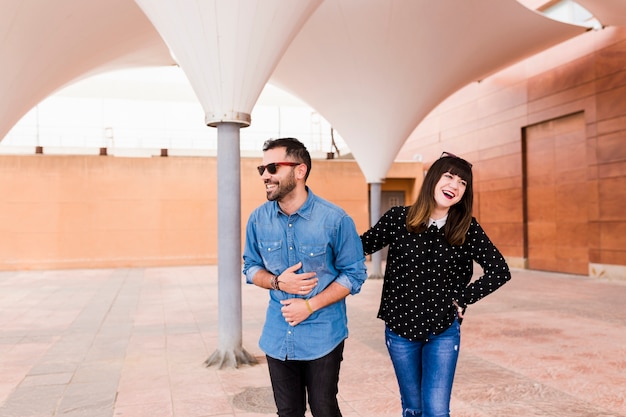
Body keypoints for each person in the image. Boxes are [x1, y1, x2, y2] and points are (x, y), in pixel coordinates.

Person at [360, 152, 511, 417]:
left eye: (463, 183)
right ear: (433, 179)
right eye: (449, 176)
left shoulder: (467, 229)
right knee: (414, 408)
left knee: (437, 411)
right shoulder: (399, 219)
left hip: (442, 331)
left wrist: (464, 297)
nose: (455, 185)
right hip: (399, 329)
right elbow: (360, 246)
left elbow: (499, 271)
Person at [243, 137, 368, 417]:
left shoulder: (336, 219)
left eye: (273, 167)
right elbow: (250, 267)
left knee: (324, 409)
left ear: (299, 171)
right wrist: (277, 282)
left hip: (323, 334)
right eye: (261, 169)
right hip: (277, 334)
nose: (265, 175)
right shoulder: (258, 219)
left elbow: (354, 274)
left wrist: (309, 305)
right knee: (288, 412)